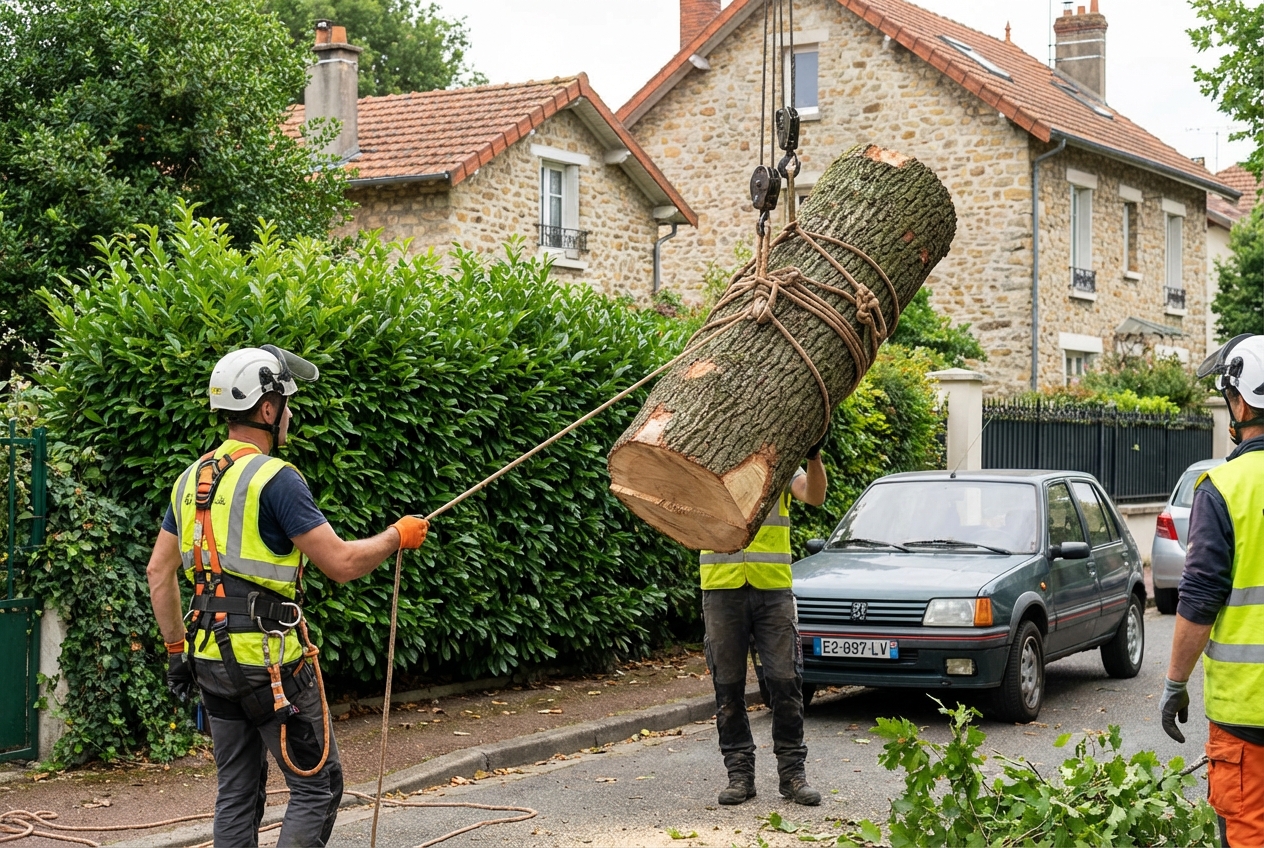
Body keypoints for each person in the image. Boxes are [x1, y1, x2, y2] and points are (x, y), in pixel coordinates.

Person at [146, 345, 430, 848]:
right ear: (268, 409)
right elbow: (341, 564)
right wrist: (396, 536)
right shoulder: (277, 479)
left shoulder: (188, 480)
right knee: (316, 787)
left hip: (209, 660)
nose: (292, 413)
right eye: (287, 401)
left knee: (235, 793)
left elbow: (157, 572)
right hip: (273, 666)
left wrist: (176, 652)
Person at [1161, 333, 1264, 847]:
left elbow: (1199, 600)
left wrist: (1175, 682)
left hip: (1249, 716)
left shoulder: (1224, 488)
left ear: (1241, 401)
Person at [698, 434, 827, 807]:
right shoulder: (706, 460)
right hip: (721, 588)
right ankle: (740, 775)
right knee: (728, 688)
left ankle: (793, 776)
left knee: (786, 683)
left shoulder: (779, 461)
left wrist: (814, 457)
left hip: (773, 590)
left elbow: (814, 496)